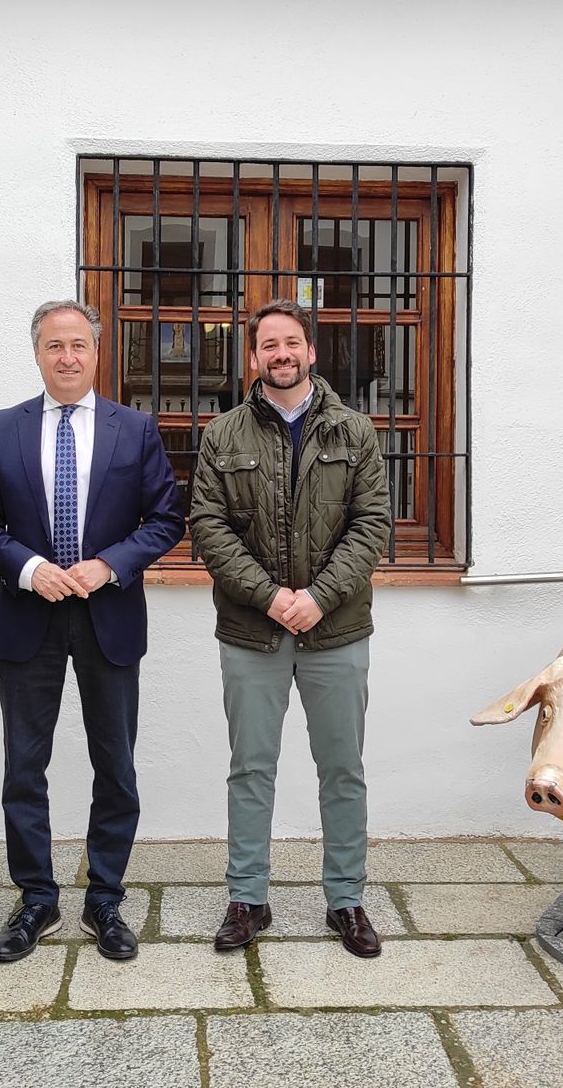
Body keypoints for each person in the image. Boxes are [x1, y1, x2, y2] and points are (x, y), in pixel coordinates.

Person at [0, 300, 184, 963]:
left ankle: (105, 898)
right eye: (54, 345)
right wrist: (32, 569)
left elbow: (164, 519)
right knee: (24, 767)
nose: (67, 357)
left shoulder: (134, 428)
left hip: (108, 615)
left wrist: (109, 565)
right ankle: (36, 896)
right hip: (29, 616)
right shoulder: (3, 429)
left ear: (97, 352)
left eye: (78, 346)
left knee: (115, 764)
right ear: (37, 353)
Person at [188, 299, 393, 958]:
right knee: (251, 768)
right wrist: (273, 596)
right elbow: (209, 529)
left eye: (292, 342)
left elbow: (372, 526)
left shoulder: (354, 431)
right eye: (268, 344)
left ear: (311, 351)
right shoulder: (223, 435)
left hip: (338, 630)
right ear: (254, 357)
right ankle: (248, 896)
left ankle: (347, 900)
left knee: (343, 768)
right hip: (254, 633)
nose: (280, 354)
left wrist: (320, 597)